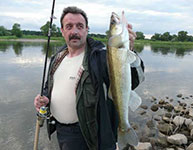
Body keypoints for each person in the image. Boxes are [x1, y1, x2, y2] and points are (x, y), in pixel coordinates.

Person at [34, 6, 144, 150]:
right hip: (62, 132)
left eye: (80, 26)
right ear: (62, 31)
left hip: (91, 135)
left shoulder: (101, 57)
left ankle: (124, 129)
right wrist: (46, 98)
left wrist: (130, 50)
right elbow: (50, 86)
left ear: (87, 29)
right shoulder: (57, 58)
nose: (74, 31)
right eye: (69, 26)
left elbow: (134, 80)